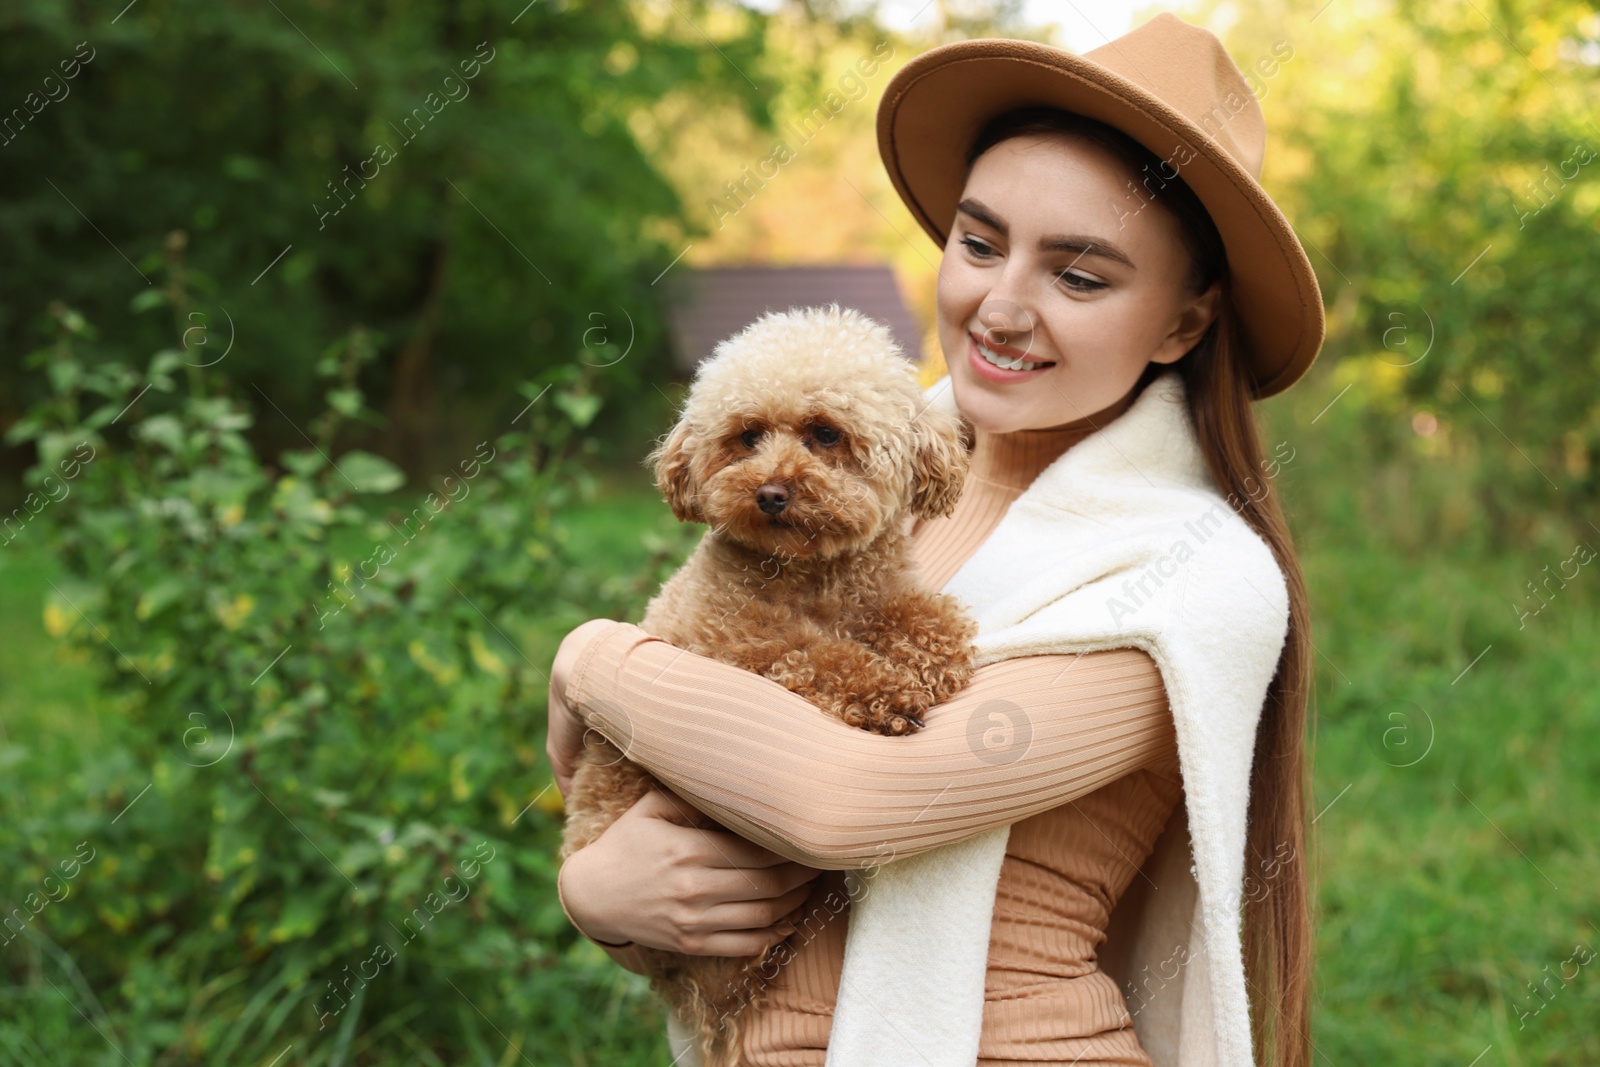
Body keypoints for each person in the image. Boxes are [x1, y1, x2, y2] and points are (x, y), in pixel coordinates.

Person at [547, 13, 1324, 1067]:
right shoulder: (862, 486)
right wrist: (600, 894)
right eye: (979, 241)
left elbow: (839, 803)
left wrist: (593, 658)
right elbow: (720, 832)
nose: (999, 308)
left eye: (1080, 276)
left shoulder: (1195, 578)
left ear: (1183, 324)